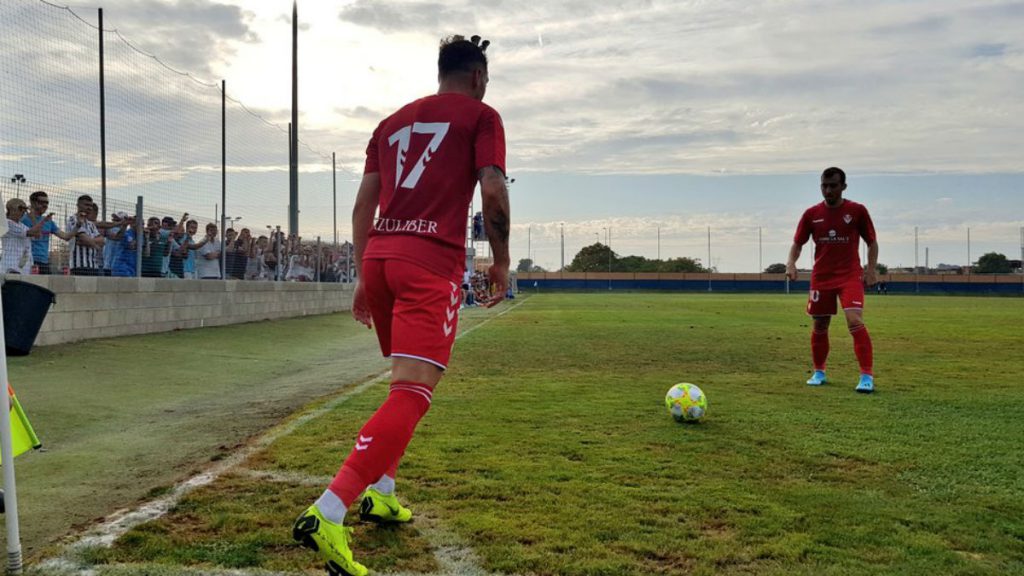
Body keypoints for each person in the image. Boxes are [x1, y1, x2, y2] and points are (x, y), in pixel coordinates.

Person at [292, 34, 510, 576]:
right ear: (478, 76)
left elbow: (364, 204)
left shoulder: (390, 123)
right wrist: (501, 261)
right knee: (414, 391)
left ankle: (382, 492)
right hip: (428, 263)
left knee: (401, 383)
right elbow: (492, 190)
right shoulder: (482, 116)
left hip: (382, 260)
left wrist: (365, 276)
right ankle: (330, 509)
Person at [786, 167, 878, 393]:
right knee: (820, 324)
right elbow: (798, 243)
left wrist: (871, 269)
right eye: (824, 186)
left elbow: (872, 242)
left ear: (843, 186)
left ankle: (866, 376)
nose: (828, 190)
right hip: (821, 277)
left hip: (849, 276)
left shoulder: (857, 211)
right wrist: (791, 263)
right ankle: (819, 372)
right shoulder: (811, 214)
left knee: (854, 320)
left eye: (833, 186)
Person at [23, 191, 75, 274]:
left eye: (47, 203)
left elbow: (66, 237)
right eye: (41, 202)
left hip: (44, 261)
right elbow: (37, 235)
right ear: (32, 203)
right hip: (29, 260)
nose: (45, 205)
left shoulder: (48, 222)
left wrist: (78, 226)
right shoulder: (23, 219)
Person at [3, 199, 46, 274]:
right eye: (20, 209)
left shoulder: (22, 225)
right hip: (11, 266)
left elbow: (38, 235)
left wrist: (33, 219)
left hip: (24, 267)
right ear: (11, 209)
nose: (23, 212)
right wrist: (36, 218)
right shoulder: (7, 223)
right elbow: (31, 232)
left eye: (24, 209)